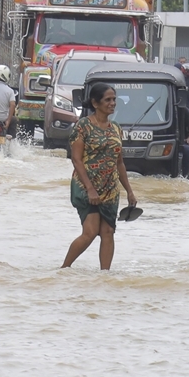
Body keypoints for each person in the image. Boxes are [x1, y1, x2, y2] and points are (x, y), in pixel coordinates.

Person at [61, 82, 137, 270]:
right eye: (107, 100)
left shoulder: (116, 128)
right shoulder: (83, 126)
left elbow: (119, 162)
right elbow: (77, 160)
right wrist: (90, 189)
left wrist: (129, 191)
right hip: (86, 186)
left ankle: (105, 277)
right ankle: (64, 269)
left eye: (114, 99)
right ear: (95, 103)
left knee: (108, 231)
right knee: (90, 232)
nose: (112, 103)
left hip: (110, 188)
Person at [176, 89, 189, 180]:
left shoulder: (184, 110)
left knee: (187, 150)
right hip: (164, 142)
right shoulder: (160, 109)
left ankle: (185, 176)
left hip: (181, 142)